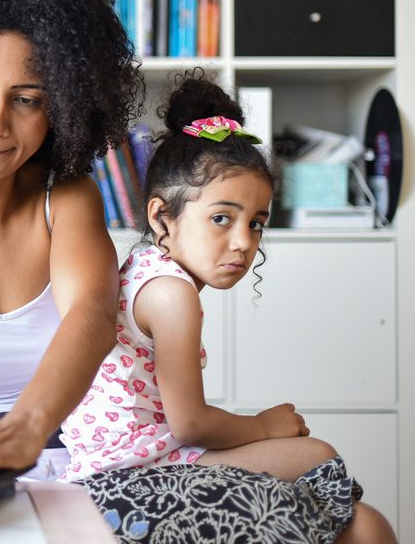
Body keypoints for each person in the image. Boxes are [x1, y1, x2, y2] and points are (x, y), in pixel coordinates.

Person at [0, 0, 394, 542]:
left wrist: (28, 425)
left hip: (85, 470)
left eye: (28, 99)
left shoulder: (64, 200)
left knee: (367, 527)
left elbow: (92, 317)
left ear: (63, 106)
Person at [60, 72, 336, 482]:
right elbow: (190, 424)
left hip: (134, 453)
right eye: (221, 218)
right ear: (161, 217)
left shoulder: (149, 270)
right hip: (129, 471)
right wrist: (261, 426)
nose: (244, 242)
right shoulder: (172, 294)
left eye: (256, 223)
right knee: (317, 455)